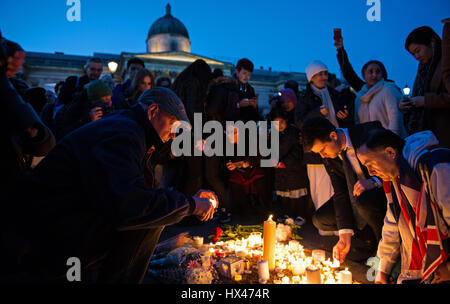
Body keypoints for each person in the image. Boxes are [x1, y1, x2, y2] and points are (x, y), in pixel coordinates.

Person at [0, 87, 218, 283]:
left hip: (63, 217)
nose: (173, 135)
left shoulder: (129, 129)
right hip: (47, 231)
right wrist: (192, 205)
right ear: (152, 111)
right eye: (173, 125)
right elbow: (131, 204)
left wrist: (191, 201)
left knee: (159, 209)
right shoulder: (123, 134)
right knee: (149, 218)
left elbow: (143, 180)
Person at [357, 129, 450, 284]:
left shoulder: (436, 167)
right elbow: (392, 224)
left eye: (371, 163)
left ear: (390, 152)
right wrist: (381, 270)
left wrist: (448, 268)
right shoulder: (395, 179)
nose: (370, 172)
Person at [301, 117, 387, 263]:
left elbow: (397, 162)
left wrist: (375, 181)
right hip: (357, 196)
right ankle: (369, 239)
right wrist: (344, 236)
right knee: (320, 219)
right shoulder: (330, 155)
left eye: (322, 149)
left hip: (382, 190)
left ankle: (383, 250)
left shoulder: (368, 133)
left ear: (333, 136)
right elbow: (340, 192)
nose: (323, 156)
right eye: (319, 153)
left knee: (363, 201)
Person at [334, 34, 407, 138]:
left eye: (378, 72)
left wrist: (393, 142)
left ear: (383, 75)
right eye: (370, 72)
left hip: (389, 144)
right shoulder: (361, 95)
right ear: (364, 76)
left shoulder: (389, 90)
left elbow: (396, 119)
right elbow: (348, 73)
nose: (374, 75)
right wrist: (340, 50)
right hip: (370, 146)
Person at [399, 26, 450, 148]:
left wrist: (426, 101)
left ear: (432, 43)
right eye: (413, 54)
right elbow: (417, 97)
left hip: (445, 130)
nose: (416, 57)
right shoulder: (423, 70)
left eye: (418, 50)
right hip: (428, 134)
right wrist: (406, 105)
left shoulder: (445, 64)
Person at [269, 106, 308, 225]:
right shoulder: (273, 135)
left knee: (296, 193)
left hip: (294, 168)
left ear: (286, 121)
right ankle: (288, 214)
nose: (279, 125)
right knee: (284, 194)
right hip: (281, 170)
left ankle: (300, 215)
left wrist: (285, 162)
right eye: (276, 123)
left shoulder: (293, 132)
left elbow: (297, 150)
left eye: (281, 122)